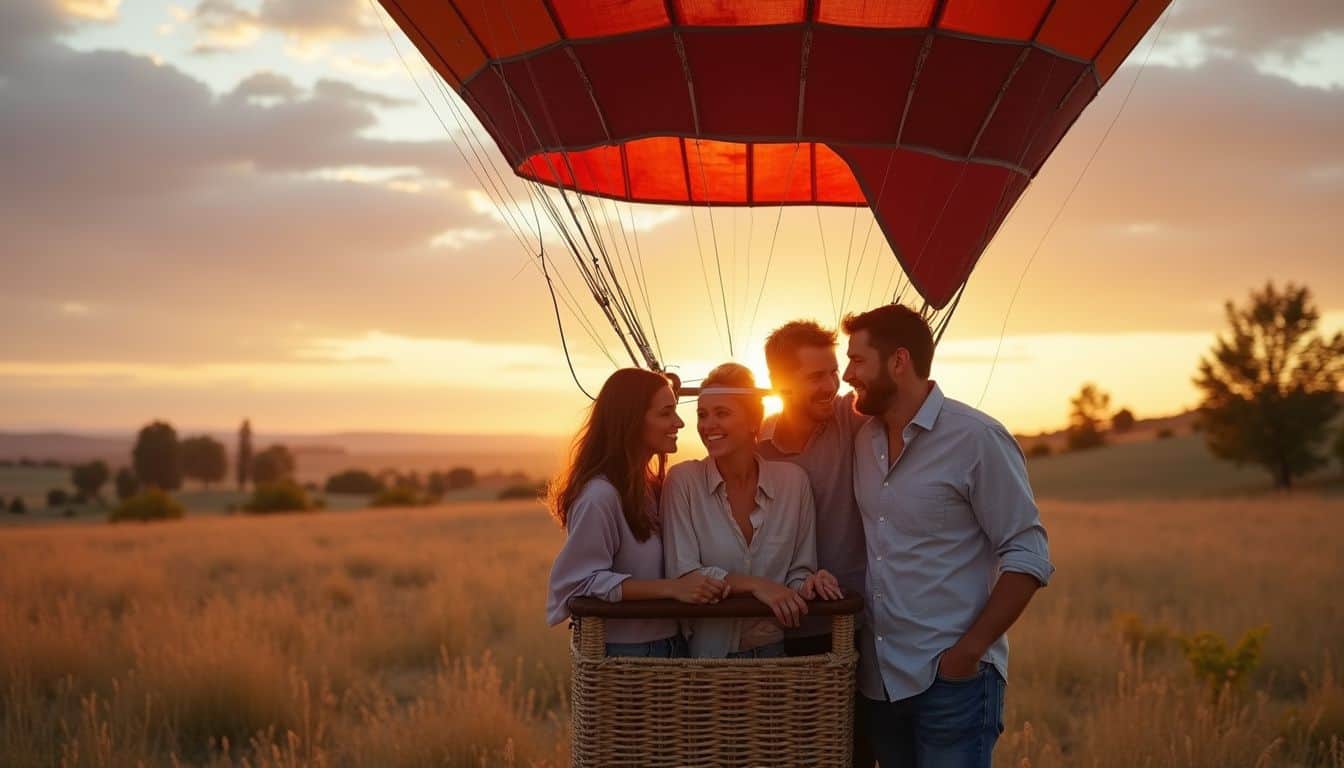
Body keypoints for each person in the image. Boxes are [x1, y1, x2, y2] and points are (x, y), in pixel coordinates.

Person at [841, 304, 1055, 767]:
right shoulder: (864, 440)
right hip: (880, 684)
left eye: (857, 361)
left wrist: (967, 653)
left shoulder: (976, 437)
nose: (846, 374)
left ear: (899, 361)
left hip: (953, 682)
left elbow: (1029, 554)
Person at [662, 363, 843, 659]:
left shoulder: (793, 483)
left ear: (752, 420)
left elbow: (798, 571)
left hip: (774, 657)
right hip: (706, 660)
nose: (707, 425)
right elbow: (686, 574)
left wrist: (811, 584)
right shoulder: (683, 481)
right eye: (702, 415)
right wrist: (757, 586)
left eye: (722, 413)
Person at [545, 368, 730, 658]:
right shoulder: (600, 496)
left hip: (674, 647)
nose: (679, 422)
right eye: (666, 413)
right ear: (631, 420)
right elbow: (580, 581)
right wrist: (671, 589)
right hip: (628, 654)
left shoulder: (654, 488)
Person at [758, 319, 875, 768]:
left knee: (854, 753)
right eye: (815, 377)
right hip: (775, 634)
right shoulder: (755, 448)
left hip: (852, 630)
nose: (831, 384)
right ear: (779, 384)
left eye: (833, 372)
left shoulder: (851, 418)